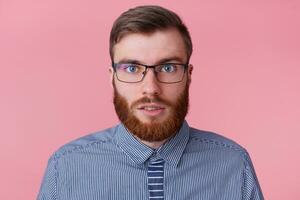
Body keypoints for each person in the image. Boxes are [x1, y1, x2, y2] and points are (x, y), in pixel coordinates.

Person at [37, 5, 264, 200]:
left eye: (168, 68)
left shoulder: (233, 165)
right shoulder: (66, 168)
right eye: (132, 68)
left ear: (189, 74)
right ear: (112, 77)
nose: (151, 89)